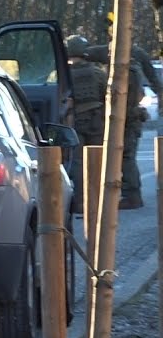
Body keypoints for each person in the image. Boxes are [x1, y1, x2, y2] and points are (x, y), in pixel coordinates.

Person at [86, 39, 160, 209]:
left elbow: (125, 99)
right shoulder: (131, 68)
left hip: (127, 120)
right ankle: (130, 193)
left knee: (126, 158)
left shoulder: (127, 71)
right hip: (129, 119)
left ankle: (132, 195)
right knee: (126, 157)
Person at [65, 34, 108, 214]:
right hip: (96, 121)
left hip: (74, 122)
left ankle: (81, 202)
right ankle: (98, 202)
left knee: (77, 163)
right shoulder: (98, 72)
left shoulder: (63, 74)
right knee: (98, 161)